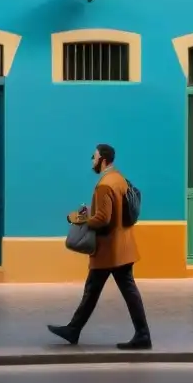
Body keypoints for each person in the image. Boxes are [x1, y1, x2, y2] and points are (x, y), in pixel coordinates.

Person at [47, 143, 152, 350]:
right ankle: (74, 329)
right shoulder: (119, 178)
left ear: (103, 159)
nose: (92, 161)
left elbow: (103, 218)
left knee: (101, 290)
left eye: (94, 157)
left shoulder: (105, 184)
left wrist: (79, 220)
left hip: (109, 250)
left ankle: (142, 335)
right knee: (98, 290)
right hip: (122, 247)